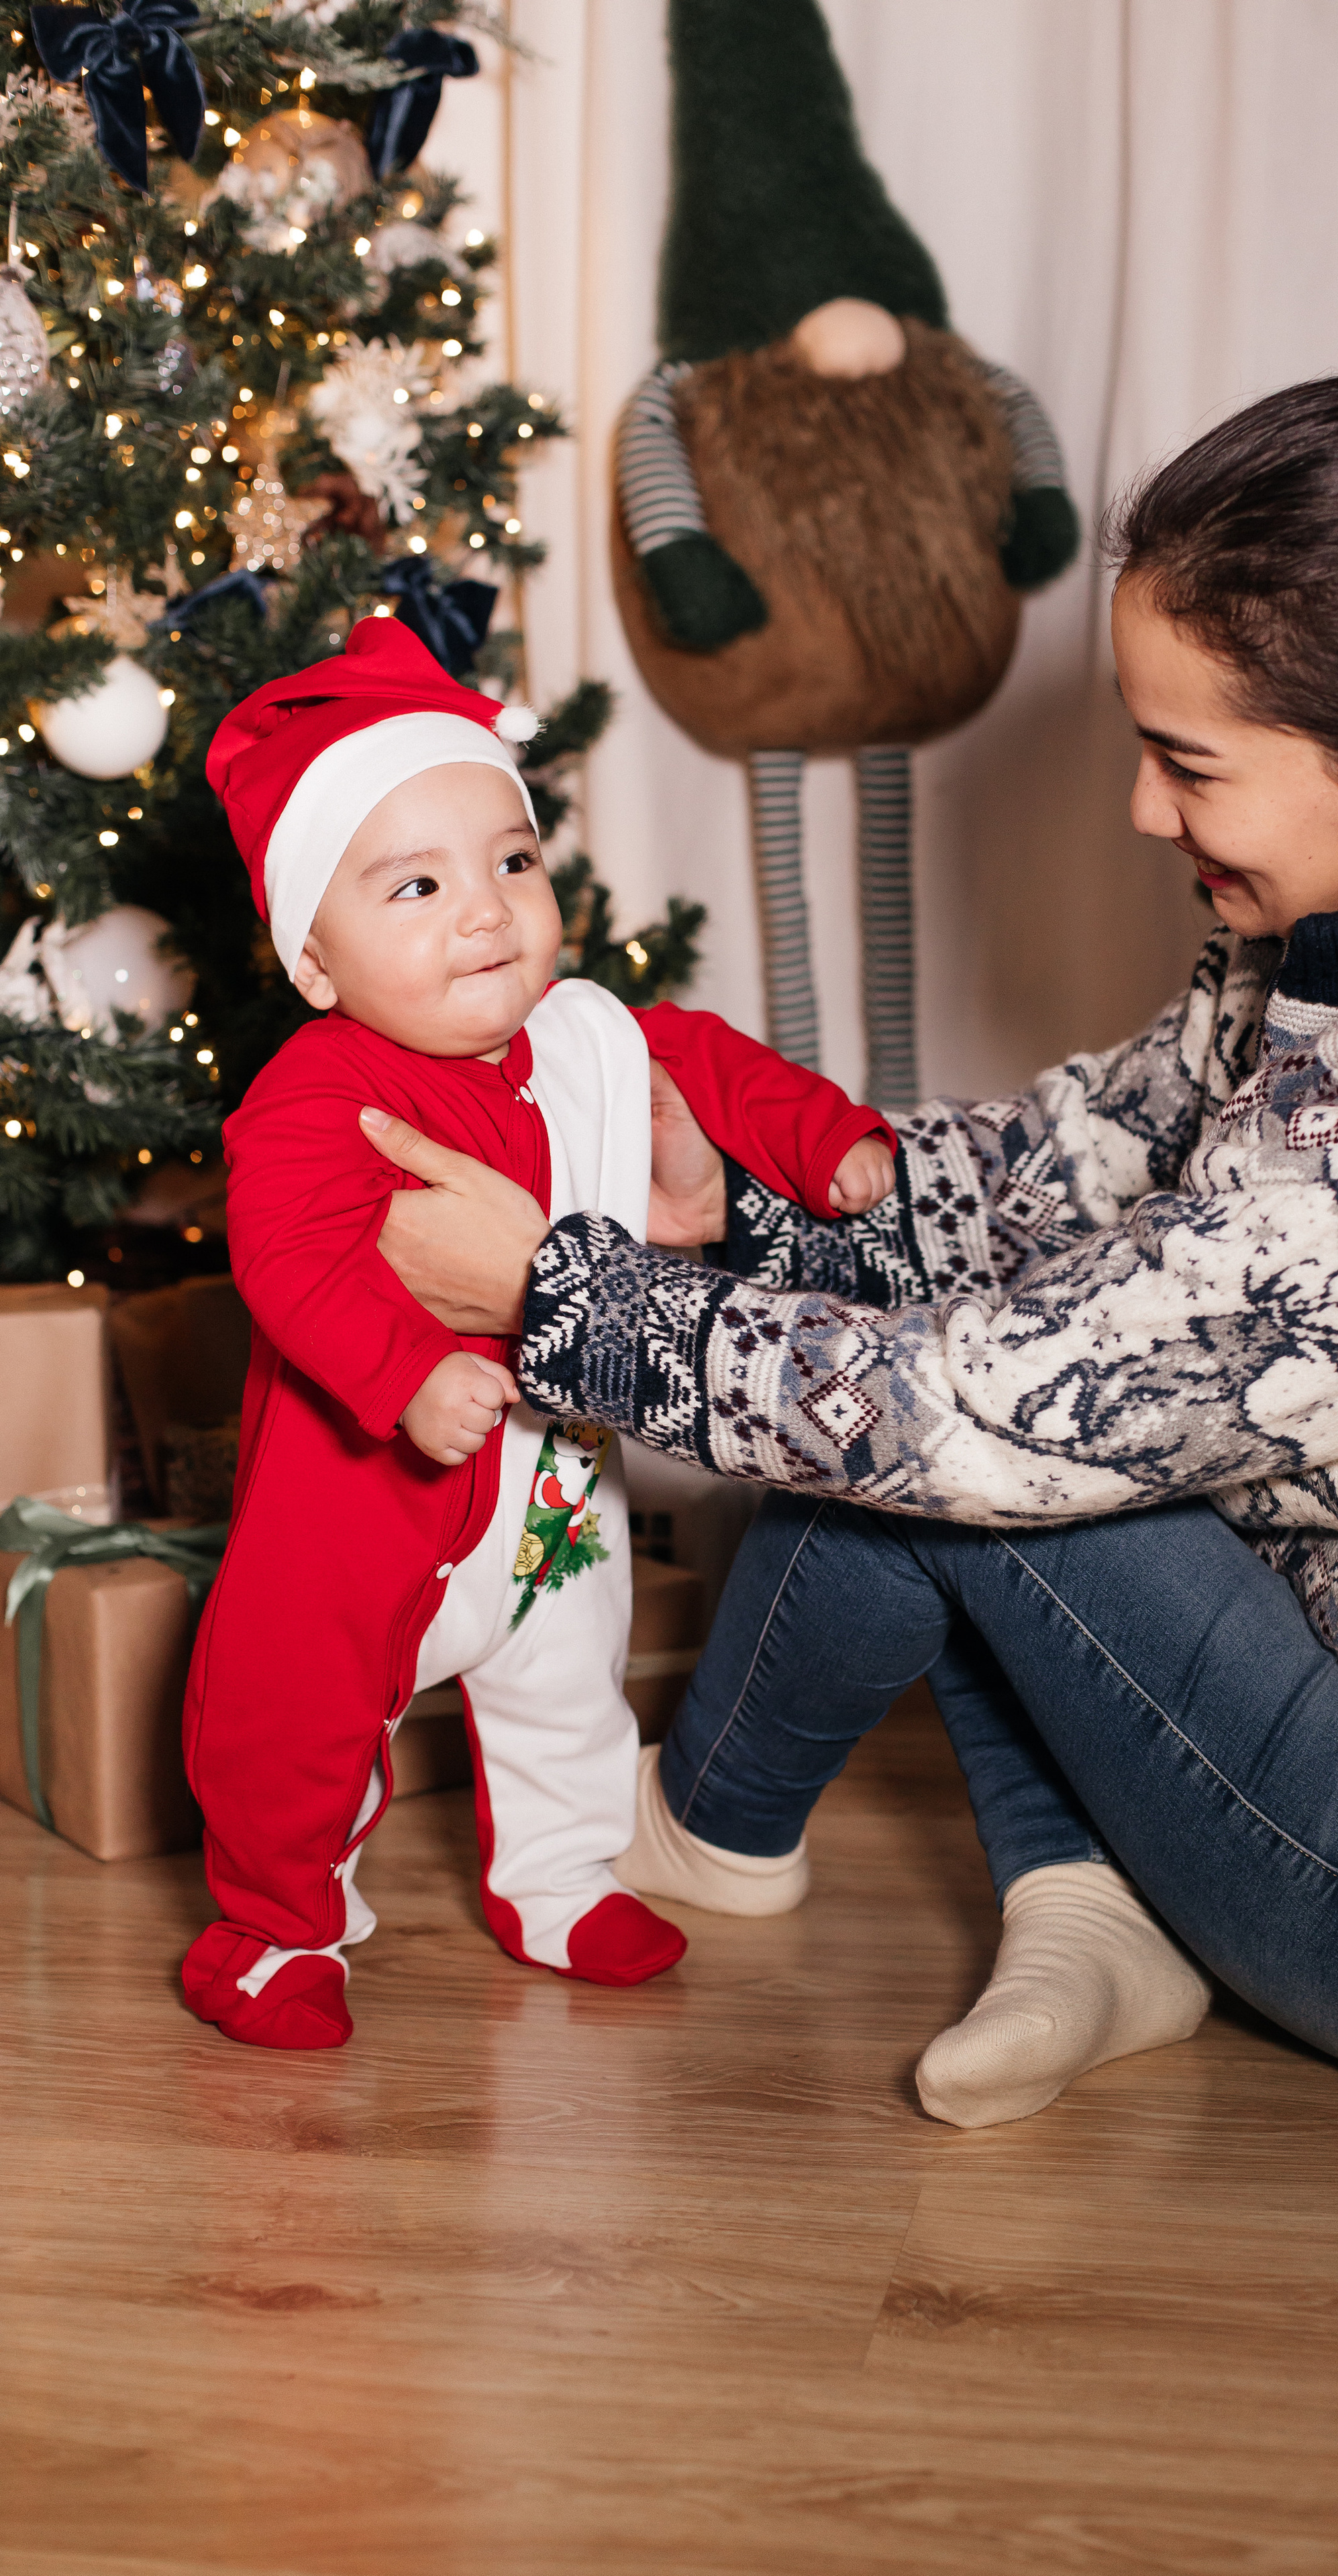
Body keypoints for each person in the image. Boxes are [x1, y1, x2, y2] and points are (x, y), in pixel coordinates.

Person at [362, 376, 1338, 2123]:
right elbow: (1079, 1155)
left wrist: (564, 1300)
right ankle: (1085, 1897)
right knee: (999, 1357)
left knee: (952, 1439)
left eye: (1191, 763)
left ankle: (701, 1827)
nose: (1148, 813)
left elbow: (977, 1418)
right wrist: (750, 1205)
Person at [181, 613, 896, 2053]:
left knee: (571, 1687)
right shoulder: (318, 1092)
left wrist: (833, 1148)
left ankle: (560, 1880)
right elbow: (290, 1252)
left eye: (511, 861)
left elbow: (717, 1068)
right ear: (315, 962)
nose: (487, 911)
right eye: (418, 886)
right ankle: (271, 1926)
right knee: (294, 1724)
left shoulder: (584, 1036)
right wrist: (403, 1370)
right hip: (363, 1506)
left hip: (552, 1489)